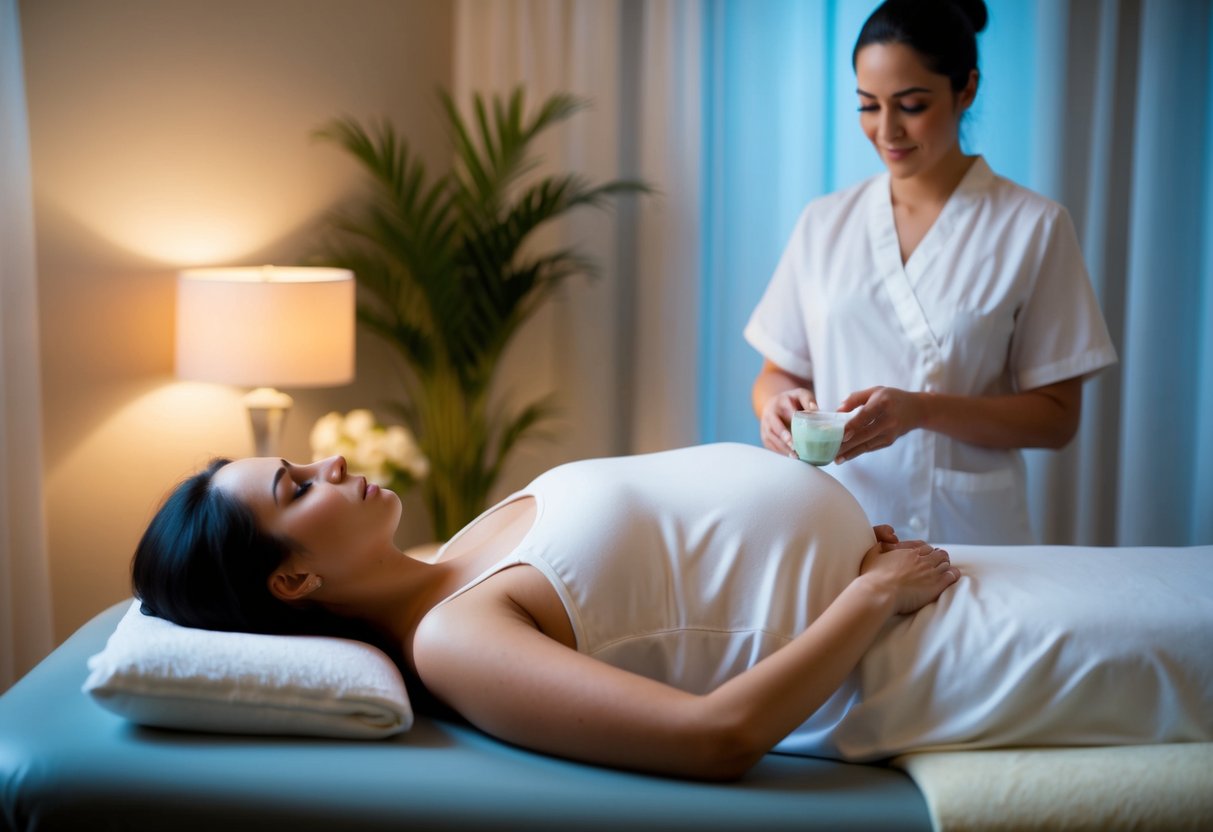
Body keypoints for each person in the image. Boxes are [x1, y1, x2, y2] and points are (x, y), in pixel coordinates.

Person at [131, 444, 1213, 781]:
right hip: (925, 647)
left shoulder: (459, 546)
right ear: (291, 582)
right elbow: (715, 739)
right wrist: (867, 599)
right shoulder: (453, 636)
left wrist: (863, 564)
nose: (327, 461)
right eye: (295, 490)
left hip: (932, 580)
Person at [745, 0, 1118, 544]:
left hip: (968, 534)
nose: (886, 130)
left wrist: (921, 410)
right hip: (836, 526)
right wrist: (777, 407)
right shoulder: (825, 223)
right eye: (867, 106)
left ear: (965, 90)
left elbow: (1057, 418)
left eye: (912, 105)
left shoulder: (1033, 226)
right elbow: (776, 372)